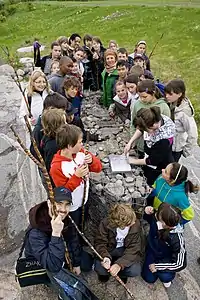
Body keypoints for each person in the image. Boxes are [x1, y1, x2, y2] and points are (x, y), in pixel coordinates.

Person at [50, 124, 102, 227]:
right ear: (70, 146)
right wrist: (76, 177)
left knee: (84, 220)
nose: (82, 145)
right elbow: (64, 192)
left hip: (85, 198)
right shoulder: (57, 167)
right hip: (72, 207)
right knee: (74, 227)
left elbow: (98, 168)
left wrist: (92, 161)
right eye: (79, 142)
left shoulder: (81, 152)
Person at [24, 186, 82, 275]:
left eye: (67, 205)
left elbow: (73, 240)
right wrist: (56, 233)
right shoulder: (36, 231)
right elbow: (53, 266)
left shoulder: (67, 220)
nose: (63, 209)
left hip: (60, 251)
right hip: (44, 261)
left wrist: (76, 264)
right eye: (59, 203)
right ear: (49, 203)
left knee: (86, 264)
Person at [127, 106, 175, 186]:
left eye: (149, 130)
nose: (148, 133)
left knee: (151, 183)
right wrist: (130, 142)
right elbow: (141, 129)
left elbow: (152, 161)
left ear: (154, 125)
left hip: (159, 166)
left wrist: (133, 161)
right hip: (149, 155)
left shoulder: (164, 140)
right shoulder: (154, 118)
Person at [94, 204, 142, 283]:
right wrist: (105, 257)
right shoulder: (105, 224)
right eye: (131, 222)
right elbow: (100, 243)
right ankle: (105, 274)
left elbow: (134, 248)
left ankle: (122, 274)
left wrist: (119, 264)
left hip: (124, 251)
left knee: (135, 270)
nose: (134, 222)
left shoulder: (135, 226)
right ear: (121, 224)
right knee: (99, 267)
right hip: (109, 249)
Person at [142, 203, 187, 288]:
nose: (156, 219)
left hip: (166, 259)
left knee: (166, 276)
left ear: (169, 225)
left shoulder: (177, 238)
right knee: (149, 278)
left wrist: (158, 266)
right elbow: (146, 218)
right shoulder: (156, 216)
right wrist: (146, 212)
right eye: (157, 216)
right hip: (152, 251)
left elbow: (181, 264)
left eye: (160, 220)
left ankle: (167, 278)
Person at [127, 79, 171, 159]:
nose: (142, 99)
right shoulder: (137, 104)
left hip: (156, 147)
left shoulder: (163, 107)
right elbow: (134, 123)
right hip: (140, 144)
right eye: (140, 96)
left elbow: (166, 128)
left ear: (153, 93)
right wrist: (133, 140)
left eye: (144, 97)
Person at [164, 79, 198, 162]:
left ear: (179, 94)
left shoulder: (184, 112)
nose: (167, 96)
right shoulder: (171, 103)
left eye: (170, 94)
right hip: (167, 143)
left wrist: (186, 151)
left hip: (176, 147)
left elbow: (193, 133)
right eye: (166, 93)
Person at [41, 108, 67, 173]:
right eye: (64, 122)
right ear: (57, 127)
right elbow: (50, 166)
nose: (66, 124)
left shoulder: (47, 135)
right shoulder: (53, 146)